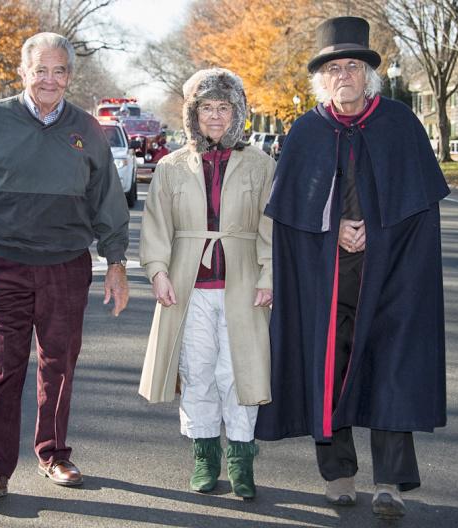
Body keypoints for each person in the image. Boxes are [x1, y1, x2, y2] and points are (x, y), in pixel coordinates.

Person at [255, 16, 449, 520]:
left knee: (392, 370)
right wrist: (332, 228)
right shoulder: (306, 131)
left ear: (369, 76)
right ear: (323, 79)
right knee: (328, 370)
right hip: (327, 280)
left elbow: (421, 210)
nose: (344, 75)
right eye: (335, 68)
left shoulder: (400, 124)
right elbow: (290, 214)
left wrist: (379, 235)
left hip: (390, 280)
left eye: (354, 66)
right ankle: (338, 472)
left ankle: (389, 480)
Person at [0, 32, 130, 500]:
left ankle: (54, 454)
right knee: (5, 366)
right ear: (23, 73)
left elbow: (107, 201)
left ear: (69, 75)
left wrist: (117, 262)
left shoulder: (87, 129)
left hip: (66, 265)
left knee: (59, 365)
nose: (49, 80)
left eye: (58, 71)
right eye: (39, 70)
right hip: (4, 263)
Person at [138, 68, 275, 500]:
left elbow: (272, 226)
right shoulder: (172, 167)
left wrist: (269, 274)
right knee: (196, 372)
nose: (215, 117)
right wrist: (158, 271)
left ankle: (240, 456)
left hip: (243, 284)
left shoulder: (261, 165)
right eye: (206, 108)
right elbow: (156, 224)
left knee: (238, 373)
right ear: (193, 114)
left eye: (223, 108)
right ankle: (204, 453)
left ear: (237, 113)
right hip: (188, 286)